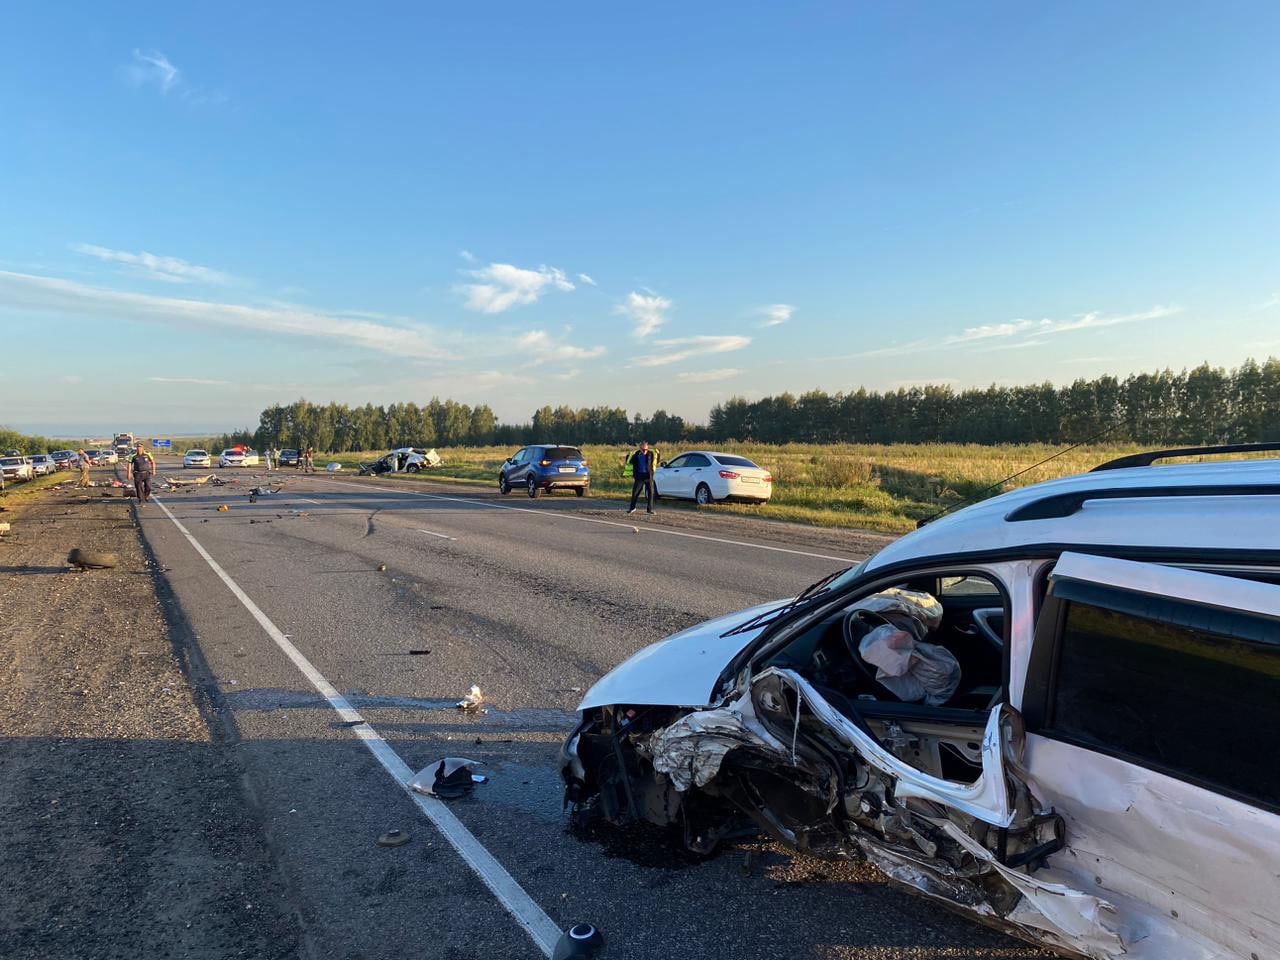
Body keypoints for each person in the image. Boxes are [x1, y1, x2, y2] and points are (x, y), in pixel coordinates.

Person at [625, 440, 658, 515]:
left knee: (651, 493)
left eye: (646, 449)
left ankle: (649, 509)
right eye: (643, 450)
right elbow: (629, 462)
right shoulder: (636, 455)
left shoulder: (650, 454)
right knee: (635, 493)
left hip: (648, 476)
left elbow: (656, 461)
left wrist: (658, 454)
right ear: (640, 448)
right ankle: (632, 508)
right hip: (639, 476)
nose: (645, 451)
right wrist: (628, 456)